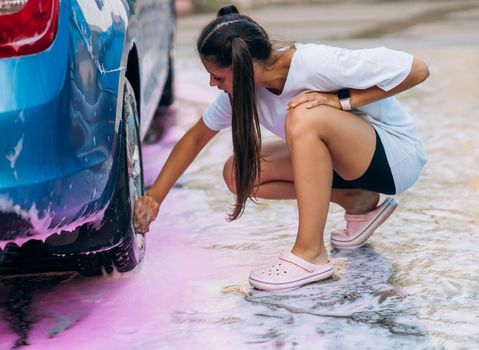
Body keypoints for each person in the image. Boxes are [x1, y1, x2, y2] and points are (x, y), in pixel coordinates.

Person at [133, 5, 429, 292]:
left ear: (244, 67)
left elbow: (417, 69)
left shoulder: (315, 63)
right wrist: (154, 198)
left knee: (304, 115)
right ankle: (355, 198)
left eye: (218, 76)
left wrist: (340, 101)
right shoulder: (242, 91)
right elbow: (195, 138)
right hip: (354, 168)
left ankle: (310, 253)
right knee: (240, 172)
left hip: (395, 158)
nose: (212, 83)